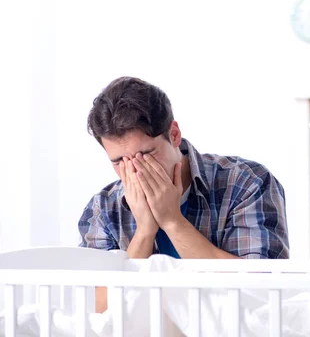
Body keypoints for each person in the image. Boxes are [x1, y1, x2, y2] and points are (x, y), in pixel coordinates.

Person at [79, 77, 289, 311]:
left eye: (146, 154)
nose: (136, 171)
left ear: (174, 134)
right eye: (119, 161)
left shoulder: (246, 181)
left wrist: (172, 221)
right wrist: (144, 233)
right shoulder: (104, 207)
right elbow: (95, 309)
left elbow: (262, 291)